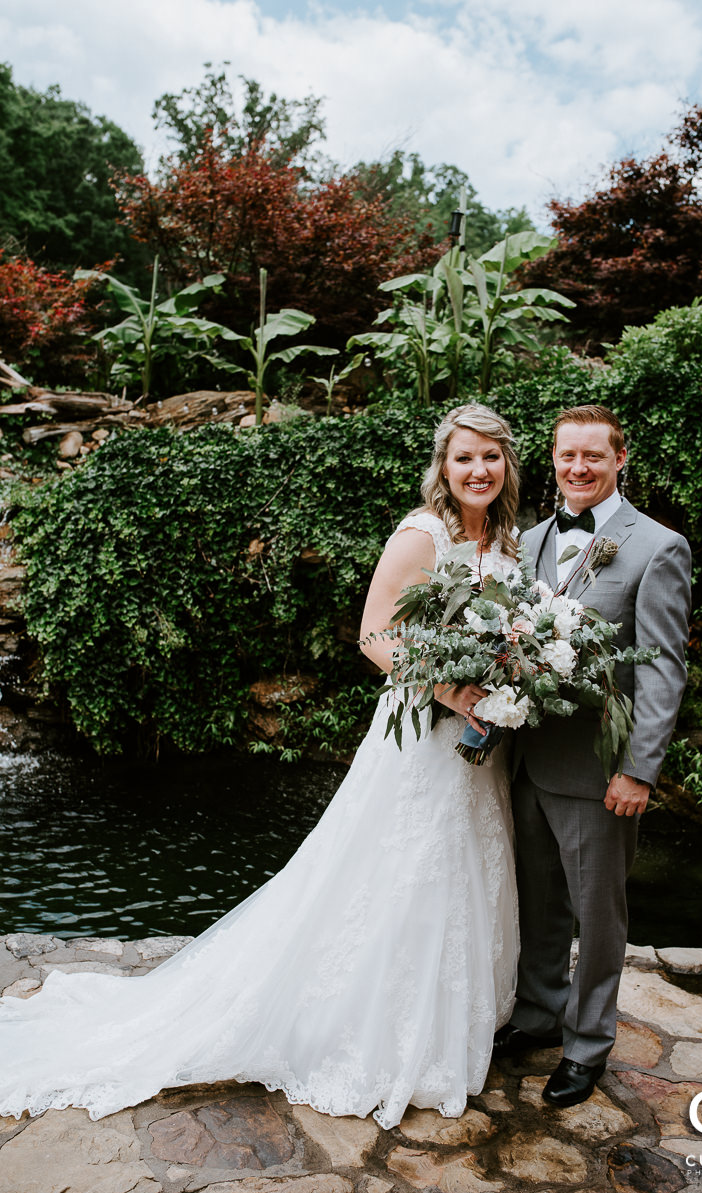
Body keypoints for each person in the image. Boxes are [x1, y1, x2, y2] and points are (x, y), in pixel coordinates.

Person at [0, 403, 520, 1131]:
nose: (477, 470)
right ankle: (372, 1022)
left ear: (507, 465)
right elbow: (376, 633)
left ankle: (453, 1012)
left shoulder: (508, 542)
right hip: (421, 732)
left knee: (466, 862)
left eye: (490, 457)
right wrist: (445, 686)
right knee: (399, 867)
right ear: (442, 465)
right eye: (464, 458)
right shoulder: (422, 533)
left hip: (479, 740)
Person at [494, 404, 691, 1108]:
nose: (577, 468)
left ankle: (586, 1045)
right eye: (565, 455)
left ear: (619, 458)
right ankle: (540, 1016)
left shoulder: (657, 547)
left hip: (598, 769)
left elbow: (663, 668)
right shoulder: (525, 542)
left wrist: (638, 768)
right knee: (538, 903)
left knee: (597, 915)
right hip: (522, 757)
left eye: (592, 456)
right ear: (551, 460)